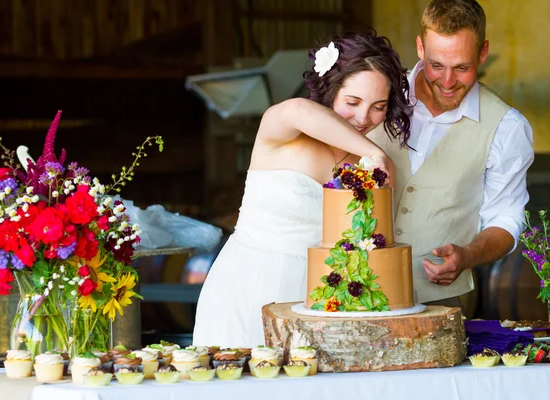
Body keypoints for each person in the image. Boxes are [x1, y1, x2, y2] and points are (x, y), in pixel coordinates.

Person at [193, 31, 413, 348]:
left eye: (379, 106)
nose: (364, 117)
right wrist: (375, 153)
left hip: (320, 306)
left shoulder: (370, 167)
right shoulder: (283, 129)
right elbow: (298, 109)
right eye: (352, 101)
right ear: (329, 88)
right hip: (245, 288)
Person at [368, 0, 534, 306]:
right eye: (436, 65)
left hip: (445, 301)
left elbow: (506, 218)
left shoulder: (507, 127)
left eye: (462, 67)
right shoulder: (376, 95)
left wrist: (468, 255)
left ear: (483, 53)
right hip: (353, 293)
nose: (446, 82)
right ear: (420, 47)